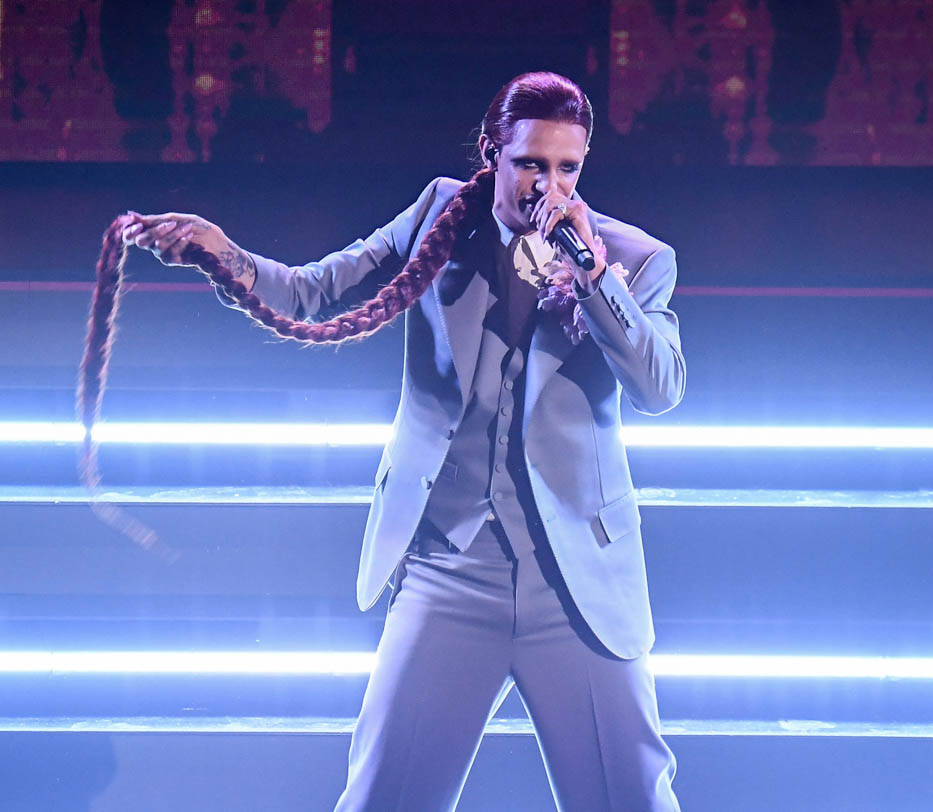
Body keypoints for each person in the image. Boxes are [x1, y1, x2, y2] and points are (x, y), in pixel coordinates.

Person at [120, 71, 684, 812]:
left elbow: (660, 387)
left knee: (632, 801)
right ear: (493, 153)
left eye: (566, 168)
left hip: (576, 582)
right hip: (450, 568)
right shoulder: (439, 216)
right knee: (383, 798)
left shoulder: (633, 258)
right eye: (529, 165)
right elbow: (313, 289)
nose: (547, 186)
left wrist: (592, 278)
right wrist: (224, 253)